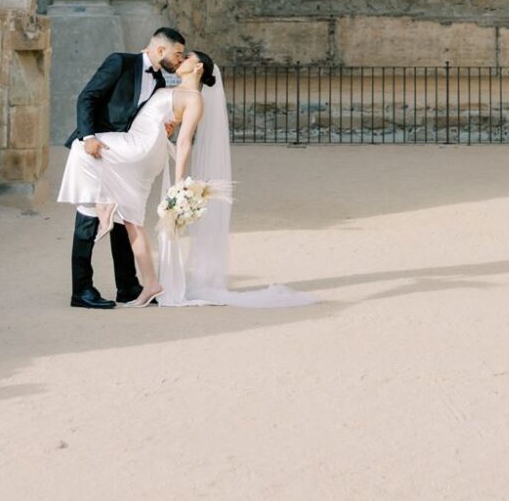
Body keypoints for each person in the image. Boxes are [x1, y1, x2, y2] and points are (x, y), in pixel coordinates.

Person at [155, 51, 317, 310]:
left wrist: (178, 182)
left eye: (186, 57)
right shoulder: (174, 91)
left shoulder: (195, 99)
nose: (180, 59)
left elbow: (185, 141)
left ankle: (164, 283)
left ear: (197, 68)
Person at [61, 28, 186, 309]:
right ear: (161, 50)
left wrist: (161, 126)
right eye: (177, 54)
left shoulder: (157, 79)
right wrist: (88, 137)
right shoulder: (120, 62)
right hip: (95, 150)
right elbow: (87, 97)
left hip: (121, 157)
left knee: (122, 218)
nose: (179, 61)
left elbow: (138, 117)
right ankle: (81, 290)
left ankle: (127, 287)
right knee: (88, 220)